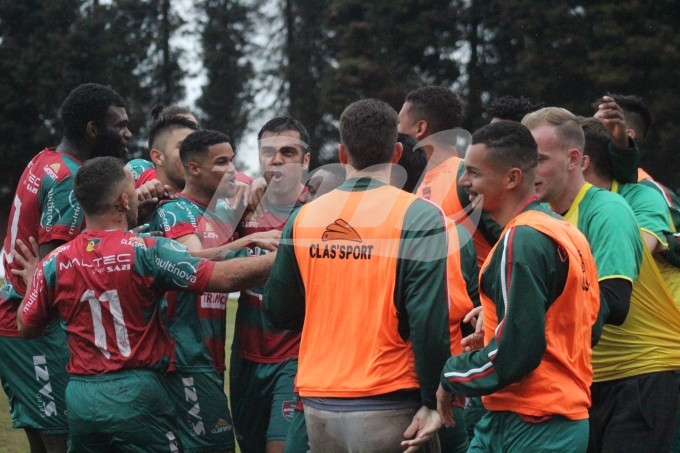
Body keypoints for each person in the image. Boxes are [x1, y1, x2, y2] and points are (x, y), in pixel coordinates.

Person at [15, 156, 276, 452]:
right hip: (136, 391)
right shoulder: (147, 251)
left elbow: (26, 326)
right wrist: (282, 259)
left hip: (80, 396)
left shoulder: (54, 262)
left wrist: (36, 284)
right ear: (124, 201)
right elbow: (223, 278)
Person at [264, 99, 450, 453]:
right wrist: (432, 397)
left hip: (320, 403)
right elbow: (428, 319)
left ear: (342, 154)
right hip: (389, 397)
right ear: (396, 153)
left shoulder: (304, 217)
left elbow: (279, 310)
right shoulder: (419, 216)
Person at [437, 120, 600, 452]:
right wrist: (496, 329)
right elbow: (588, 326)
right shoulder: (565, 231)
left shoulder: (520, 238)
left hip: (531, 422)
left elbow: (517, 354)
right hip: (549, 418)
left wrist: (452, 375)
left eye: (473, 173)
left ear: (512, 178)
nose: (464, 182)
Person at [521, 107, 677, 451]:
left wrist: (523, 331)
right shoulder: (541, 217)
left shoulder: (610, 208)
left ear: (576, 159)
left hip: (644, 371)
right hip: (587, 379)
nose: (530, 171)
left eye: (541, 160)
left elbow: (613, 304)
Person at [0, 83, 133, 453]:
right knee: (61, 438)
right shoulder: (69, 180)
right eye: (120, 125)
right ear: (92, 130)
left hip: (15, 322)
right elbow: (52, 266)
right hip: (30, 328)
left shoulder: (44, 160)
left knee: (44, 437)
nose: (128, 134)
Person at [148, 130, 279, 452]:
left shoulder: (222, 214)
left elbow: (251, 183)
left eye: (233, 160)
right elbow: (191, 259)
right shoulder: (174, 211)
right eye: (222, 162)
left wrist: (258, 187)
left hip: (210, 354)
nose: (233, 170)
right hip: (184, 357)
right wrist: (247, 241)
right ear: (194, 168)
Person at [580, 116, 680, 452]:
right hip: (589, 373)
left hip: (649, 364)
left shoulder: (638, 195)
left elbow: (630, 257)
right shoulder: (554, 210)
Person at [229, 117, 310, 453]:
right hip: (245, 355)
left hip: (294, 355)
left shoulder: (318, 209)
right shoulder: (239, 205)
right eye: (268, 152)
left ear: (306, 161)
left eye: (288, 152)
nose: (277, 160)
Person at [127, 115, 199, 192]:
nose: (194, 154)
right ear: (158, 157)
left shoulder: (210, 196)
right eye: (184, 147)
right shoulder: (137, 170)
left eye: (197, 148)